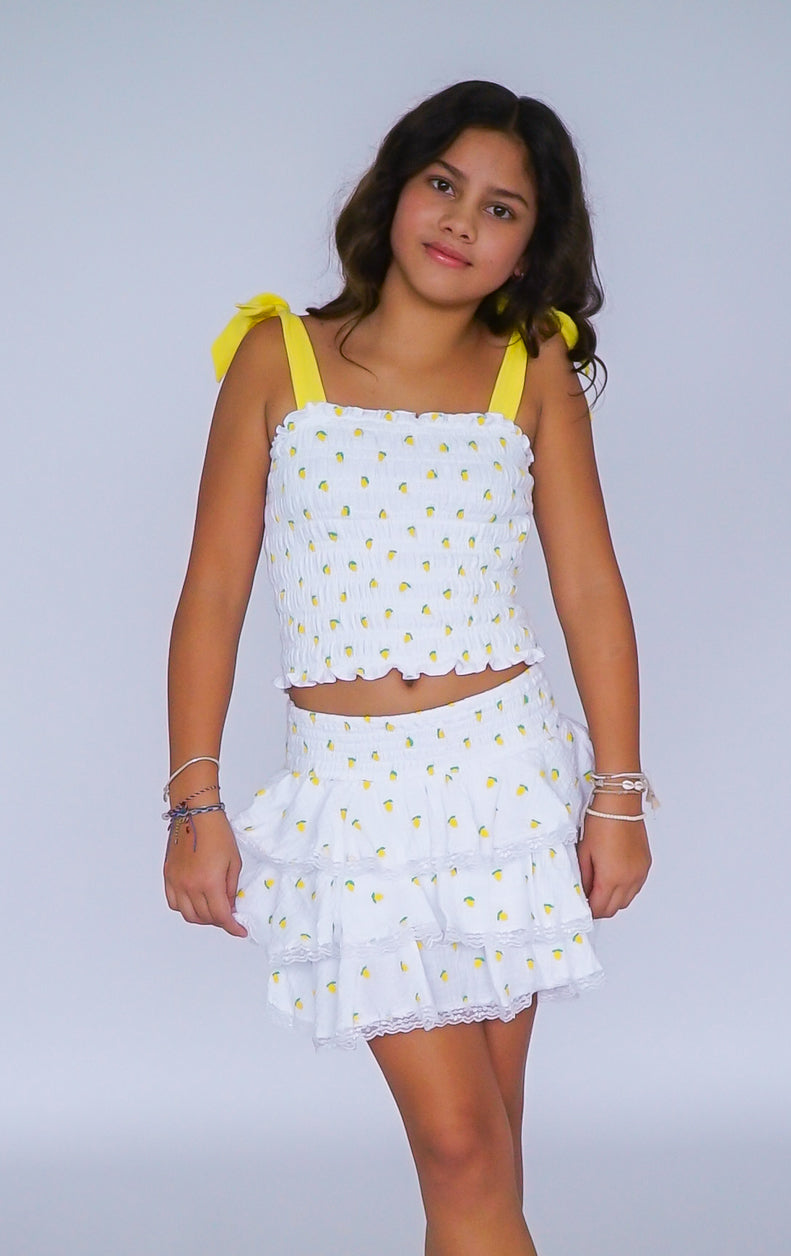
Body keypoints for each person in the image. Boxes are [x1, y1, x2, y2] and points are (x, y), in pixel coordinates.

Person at [164, 79, 657, 1256]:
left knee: (483, 1155)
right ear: (395, 186)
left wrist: (619, 793)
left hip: (502, 781)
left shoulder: (530, 368)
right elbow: (214, 590)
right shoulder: (277, 356)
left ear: (529, 247)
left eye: (501, 209)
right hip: (355, 796)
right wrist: (193, 800)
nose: (460, 221)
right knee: (462, 1151)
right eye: (444, 184)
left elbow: (590, 588)